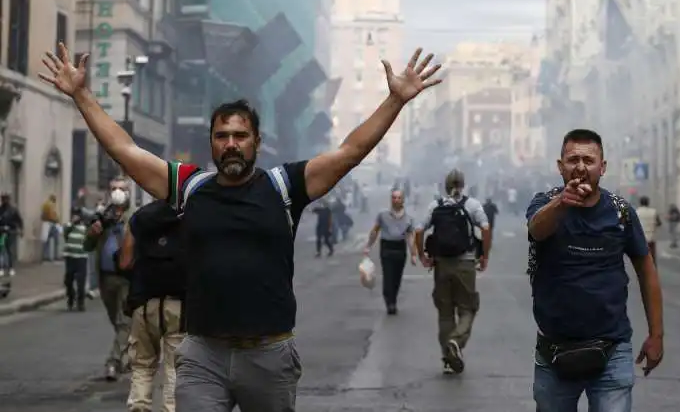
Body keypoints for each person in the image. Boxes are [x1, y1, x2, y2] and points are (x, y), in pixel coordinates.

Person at [39, 43, 441, 412]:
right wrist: (81, 95)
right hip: (201, 355)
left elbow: (350, 151)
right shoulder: (189, 187)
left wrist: (394, 101)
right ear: (212, 143)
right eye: (222, 136)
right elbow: (125, 150)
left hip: (268, 355)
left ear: (257, 142)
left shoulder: (285, 187)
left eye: (240, 136)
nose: (231, 144)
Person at [526, 129, 664, 412]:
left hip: (612, 350)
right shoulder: (544, 203)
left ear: (602, 168)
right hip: (554, 351)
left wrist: (656, 335)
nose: (580, 167)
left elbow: (646, 270)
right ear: (560, 166)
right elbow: (537, 230)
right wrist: (562, 204)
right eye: (572, 159)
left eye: (588, 160)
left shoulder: (621, 212)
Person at [415, 169, 491, 375]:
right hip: (465, 264)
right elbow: (485, 227)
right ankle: (455, 342)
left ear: (445, 186)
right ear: (463, 185)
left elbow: (419, 229)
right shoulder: (472, 205)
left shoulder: (436, 206)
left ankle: (448, 360)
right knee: (468, 308)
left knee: (445, 312)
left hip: (441, 265)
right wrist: (484, 255)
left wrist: (423, 255)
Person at [119, 200, 186, 412]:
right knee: (175, 367)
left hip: (144, 302)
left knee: (142, 365)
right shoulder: (193, 216)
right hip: (179, 304)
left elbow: (125, 262)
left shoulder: (140, 217)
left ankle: (139, 406)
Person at [84, 185, 133, 381]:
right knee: (116, 320)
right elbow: (87, 246)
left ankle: (112, 361)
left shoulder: (132, 223)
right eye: (115, 207)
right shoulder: (103, 223)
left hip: (126, 279)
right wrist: (93, 232)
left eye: (121, 207)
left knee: (124, 321)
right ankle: (126, 355)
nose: (117, 211)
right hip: (106, 278)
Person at [363, 189, 417, 314]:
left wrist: (413, 254)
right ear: (391, 199)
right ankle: (390, 303)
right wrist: (368, 246)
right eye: (394, 197)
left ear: (403, 200)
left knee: (397, 277)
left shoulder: (409, 218)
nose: (396, 200)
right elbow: (375, 230)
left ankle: (393, 299)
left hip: (400, 247)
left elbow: (410, 236)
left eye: (399, 198)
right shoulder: (383, 215)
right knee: (388, 276)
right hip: (387, 247)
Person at [63, 206, 89, 311]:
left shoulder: (85, 228)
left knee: (81, 281)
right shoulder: (69, 226)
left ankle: (80, 302)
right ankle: (71, 297)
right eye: (74, 215)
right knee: (68, 280)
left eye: (77, 215)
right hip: (70, 256)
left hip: (81, 257)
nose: (75, 217)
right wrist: (72, 224)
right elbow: (65, 235)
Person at [636, 196, 661, 267]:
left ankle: (642, 273)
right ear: (648, 203)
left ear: (640, 203)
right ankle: (653, 272)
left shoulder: (637, 212)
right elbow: (659, 223)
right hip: (651, 238)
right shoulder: (653, 211)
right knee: (652, 257)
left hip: (640, 238)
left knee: (641, 258)